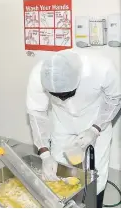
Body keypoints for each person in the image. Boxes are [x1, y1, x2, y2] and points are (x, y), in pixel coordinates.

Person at [26, 49, 121, 208]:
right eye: (57, 95)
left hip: (96, 119)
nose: (63, 98)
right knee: (57, 168)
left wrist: (95, 129)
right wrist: (44, 154)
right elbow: (37, 115)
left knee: (96, 173)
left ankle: (93, 204)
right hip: (62, 120)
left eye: (67, 93)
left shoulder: (102, 68)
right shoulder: (39, 74)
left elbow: (114, 99)